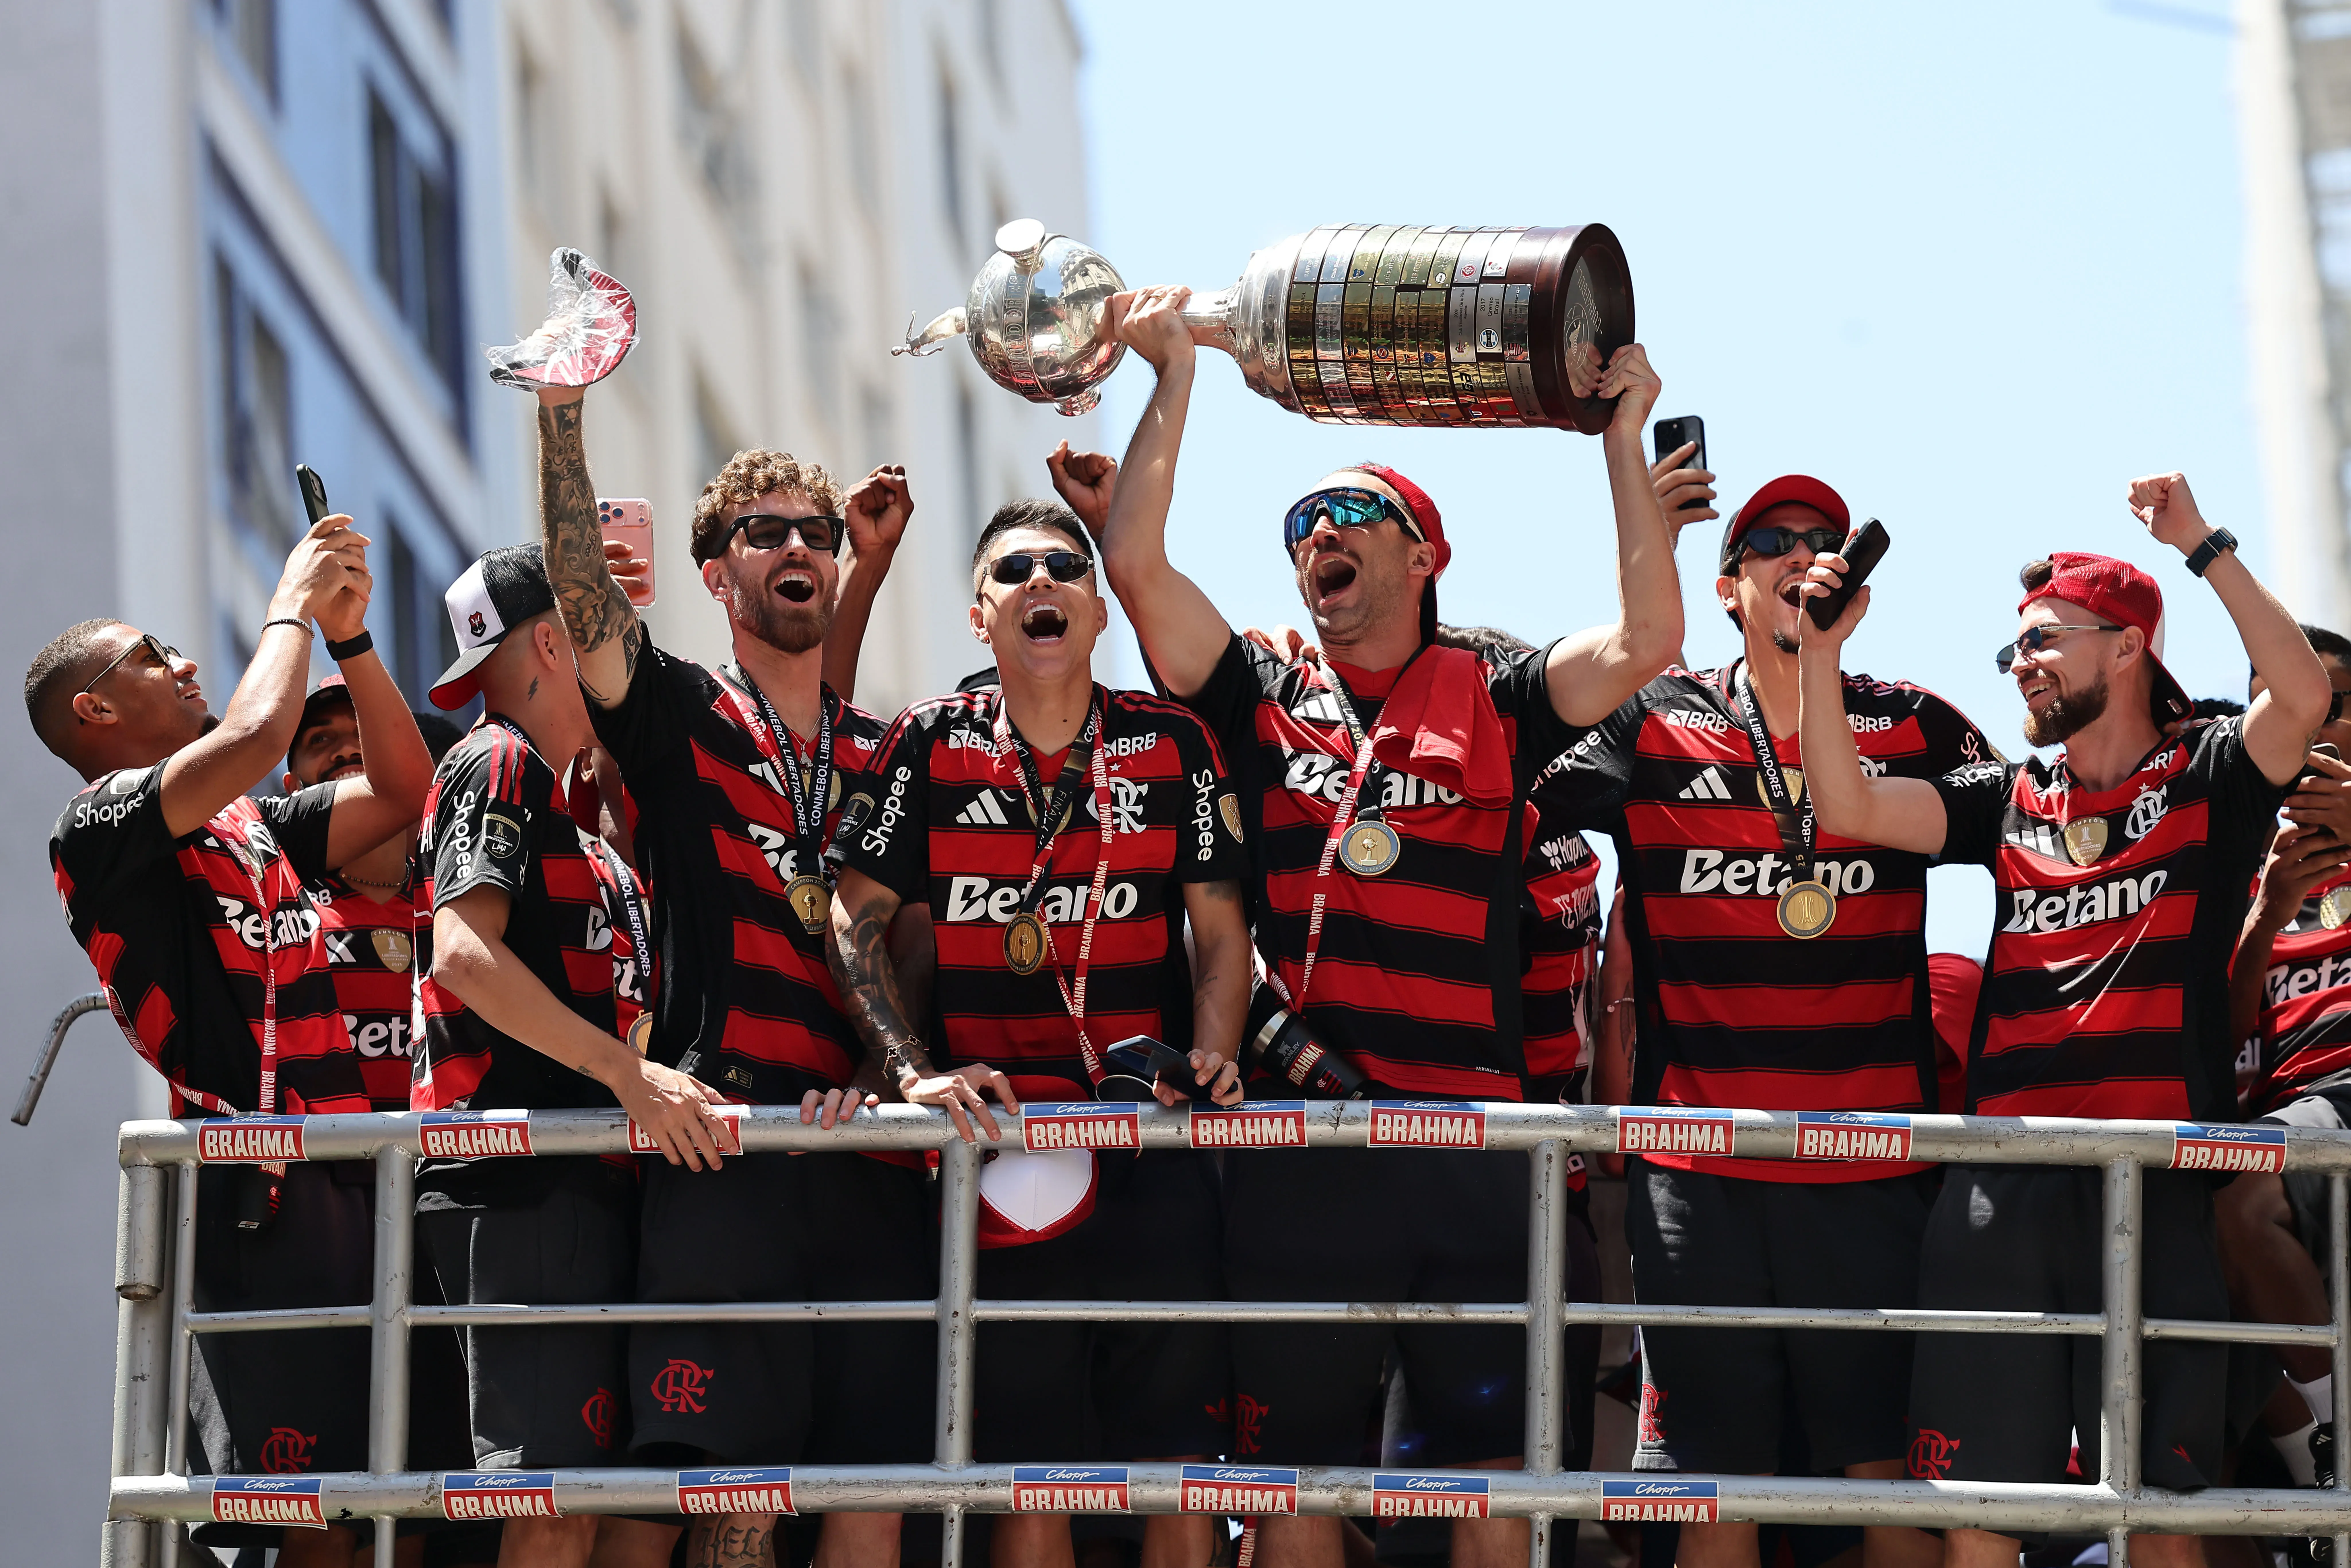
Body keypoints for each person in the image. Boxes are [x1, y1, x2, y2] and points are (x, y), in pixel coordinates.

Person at [1072, 282, 1681, 1568]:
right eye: (1300, 525)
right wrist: (1169, 378)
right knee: (1292, 1490)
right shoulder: (1261, 693)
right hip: (1310, 1148)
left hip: (1468, 1146)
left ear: (1422, 555)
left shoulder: (1499, 690)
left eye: (1351, 514)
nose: (1317, 537)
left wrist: (1621, 443)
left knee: (1484, 1501)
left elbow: (1644, 640)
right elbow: (1132, 565)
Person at [1797, 474, 2331, 1568]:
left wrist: (2201, 544)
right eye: (2014, 649)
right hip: (2002, 1192)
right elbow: (1847, 807)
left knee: (2162, 1519)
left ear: (2128, 648)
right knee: (1978, 1521)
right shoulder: (2007, 796)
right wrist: (1819, 657)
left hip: (2159, 1189)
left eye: (2043, 639)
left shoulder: (2209, 775)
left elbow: (2305, 692)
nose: (2021, 663)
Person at [1538, 471, 1995, 1568]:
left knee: (1890, 1488)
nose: (1803, 556)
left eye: (1824, 540)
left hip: (1876, 1162)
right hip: (1704, 1171)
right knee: (1715, 1487)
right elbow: (1518, 770)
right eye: (1772, 543)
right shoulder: (1654, 719)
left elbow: (2049, 827)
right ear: (1730, 584)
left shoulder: (1918, 721)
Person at [527, 372, 931, 1568]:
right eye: (766, 533)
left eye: (816, 532)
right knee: (729, 1512)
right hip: (725, 1143)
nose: (796, 547)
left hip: (864, 1155)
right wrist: (561, 411)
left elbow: (908, 950)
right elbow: (581, 595)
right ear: (719, 575)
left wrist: (877, 1067)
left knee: (871, 1492)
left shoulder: (886, 751)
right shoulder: (682, 714)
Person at [827, 494, 1252, 1568]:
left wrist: (1214, 1051)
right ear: (981, 617)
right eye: (1013, 572)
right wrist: (912, 1072)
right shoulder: (927, 743)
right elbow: (854, 914)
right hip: (1000, 1154)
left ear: (1101, 608)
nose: (1042, 584)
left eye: (1066, 566)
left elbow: (1219, 931)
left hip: (1148, 1143)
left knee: (1184, 1478)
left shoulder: (1175, 743)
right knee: (1030, 1479)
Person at [32, 512, 431, 1566]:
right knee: (306, 1522)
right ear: (97, 707)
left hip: (357, 1178)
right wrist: (290, 606)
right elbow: (259, 739)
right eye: (154, 657)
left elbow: (402, 790)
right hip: (255, 1200)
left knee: (405, 1494)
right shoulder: (99, 825)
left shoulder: (252, 824)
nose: (184, 662)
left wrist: (350, 639)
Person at [411, 545, 720, 1568]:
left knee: (614, 1504)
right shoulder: (497, 759)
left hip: (577, 1188)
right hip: (520, 1188)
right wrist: (628, 1076)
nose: (616, 650)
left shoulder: (571, 801)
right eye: (598, 630)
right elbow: (461, 955)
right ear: (555, 641)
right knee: (556, 1506)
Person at [2213, 625, 2351, 1502]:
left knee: (2235, 1178)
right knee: (2157, 1200)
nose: (2310, 721)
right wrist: (2266, 916)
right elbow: (2210, 1041)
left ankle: (2335, 1443)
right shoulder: (2227, 854)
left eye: (2332, 702)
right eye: (2279, 702)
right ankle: (2313, 1464)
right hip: (2273, 1113)